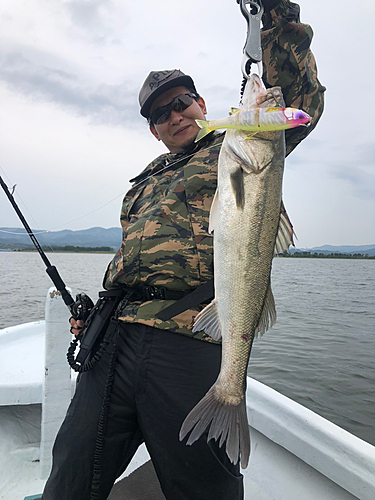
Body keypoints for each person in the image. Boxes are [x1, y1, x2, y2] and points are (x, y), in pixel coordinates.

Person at [41, 1, 325, 499]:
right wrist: (96, 314)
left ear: (201, 104)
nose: (174, 115)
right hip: (112, 340)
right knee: (70, 477)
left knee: (203, 487)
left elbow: (301, 98)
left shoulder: (238, 145)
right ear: (152, 128)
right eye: (159, 113)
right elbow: (129, 260)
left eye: (182, 103)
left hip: (186, 334)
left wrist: (275, 15)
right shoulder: (143, 181)